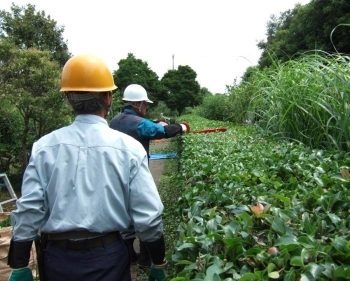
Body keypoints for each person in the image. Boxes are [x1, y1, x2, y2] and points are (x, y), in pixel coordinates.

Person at [7, 54, 167, 281]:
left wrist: (19, 265)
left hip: (58, 261)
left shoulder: (44, 147)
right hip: (109, 258)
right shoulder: (129, 149)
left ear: (70, 99)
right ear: (108, 97)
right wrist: (158, 262)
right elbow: (148, 217)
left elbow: (29, 211)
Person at [110, 83, 190, 268]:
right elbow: (162, 132)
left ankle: (128, 253)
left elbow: (146, 126)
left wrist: (153, 123)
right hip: (136, 175)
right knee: (146, 213)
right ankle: (147, 259)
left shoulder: (115, 121)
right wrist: (182, 127)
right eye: (145, 104)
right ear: (137, 104)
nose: (146, 107)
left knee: (123, 212)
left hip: (115, 174)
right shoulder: (140, 124)